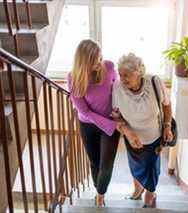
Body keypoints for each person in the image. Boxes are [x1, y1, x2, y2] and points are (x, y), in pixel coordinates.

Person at [67, 39, 126, 207]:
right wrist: (110, 125)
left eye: (100, 58)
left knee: (106, 165)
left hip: (110, 122)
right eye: (95, 61)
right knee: (95, 163)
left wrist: (117, 117)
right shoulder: (73, 78)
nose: (99, 63)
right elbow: (84, 111)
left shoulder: (108, 66)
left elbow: (118, 89)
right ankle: (98, 189)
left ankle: (100, 195)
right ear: (83, 62)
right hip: (88, 125)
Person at [112, 53, 174, 208]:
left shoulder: (154, 82)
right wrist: (127, 131)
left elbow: (167, 104)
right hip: (132, 136)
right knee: (136, 165)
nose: (122, 78)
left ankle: (151, 192)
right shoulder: (117, 88)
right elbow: (116, 114)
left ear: (138, 72)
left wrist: (167, 125)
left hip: (154, 136)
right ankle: (138, 188)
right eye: (120, 74)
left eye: (127, 75)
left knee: (151, 167)